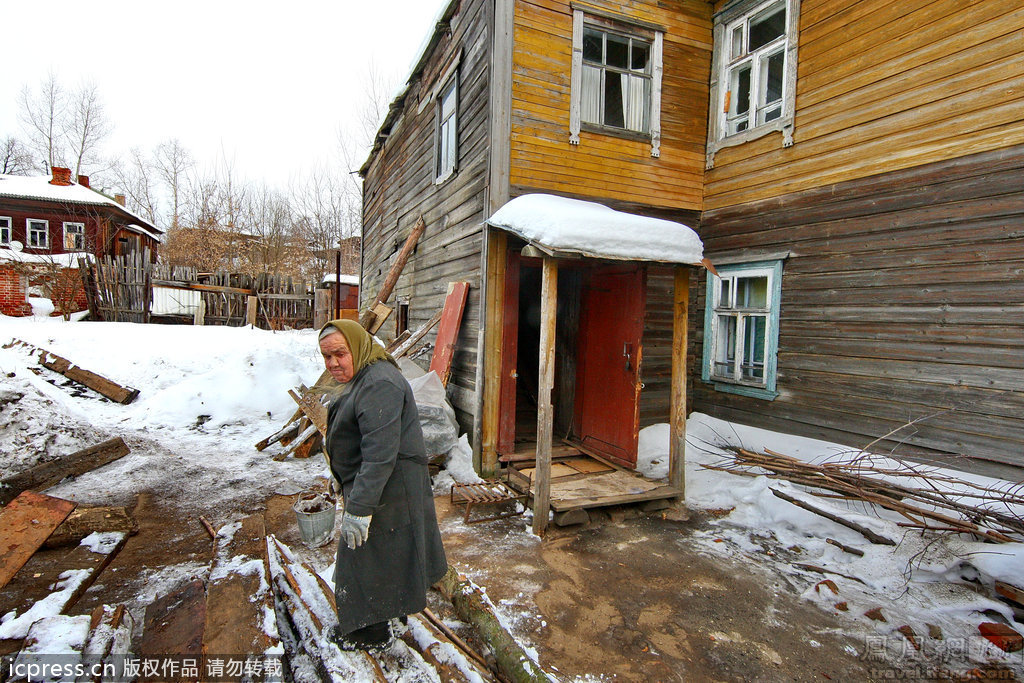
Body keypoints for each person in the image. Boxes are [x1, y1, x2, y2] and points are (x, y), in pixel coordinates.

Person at [317, 319, 448, 651]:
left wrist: (359, 509)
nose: (333, 364)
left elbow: (379, 455)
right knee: (390, 553)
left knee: (367, 557)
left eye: (339, 354)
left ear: (357, 346)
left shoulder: (379, 383)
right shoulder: (360, 375)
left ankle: (368, 632)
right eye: (326, 357)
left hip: (389, 487)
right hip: (376, 485)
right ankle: (393, 613)